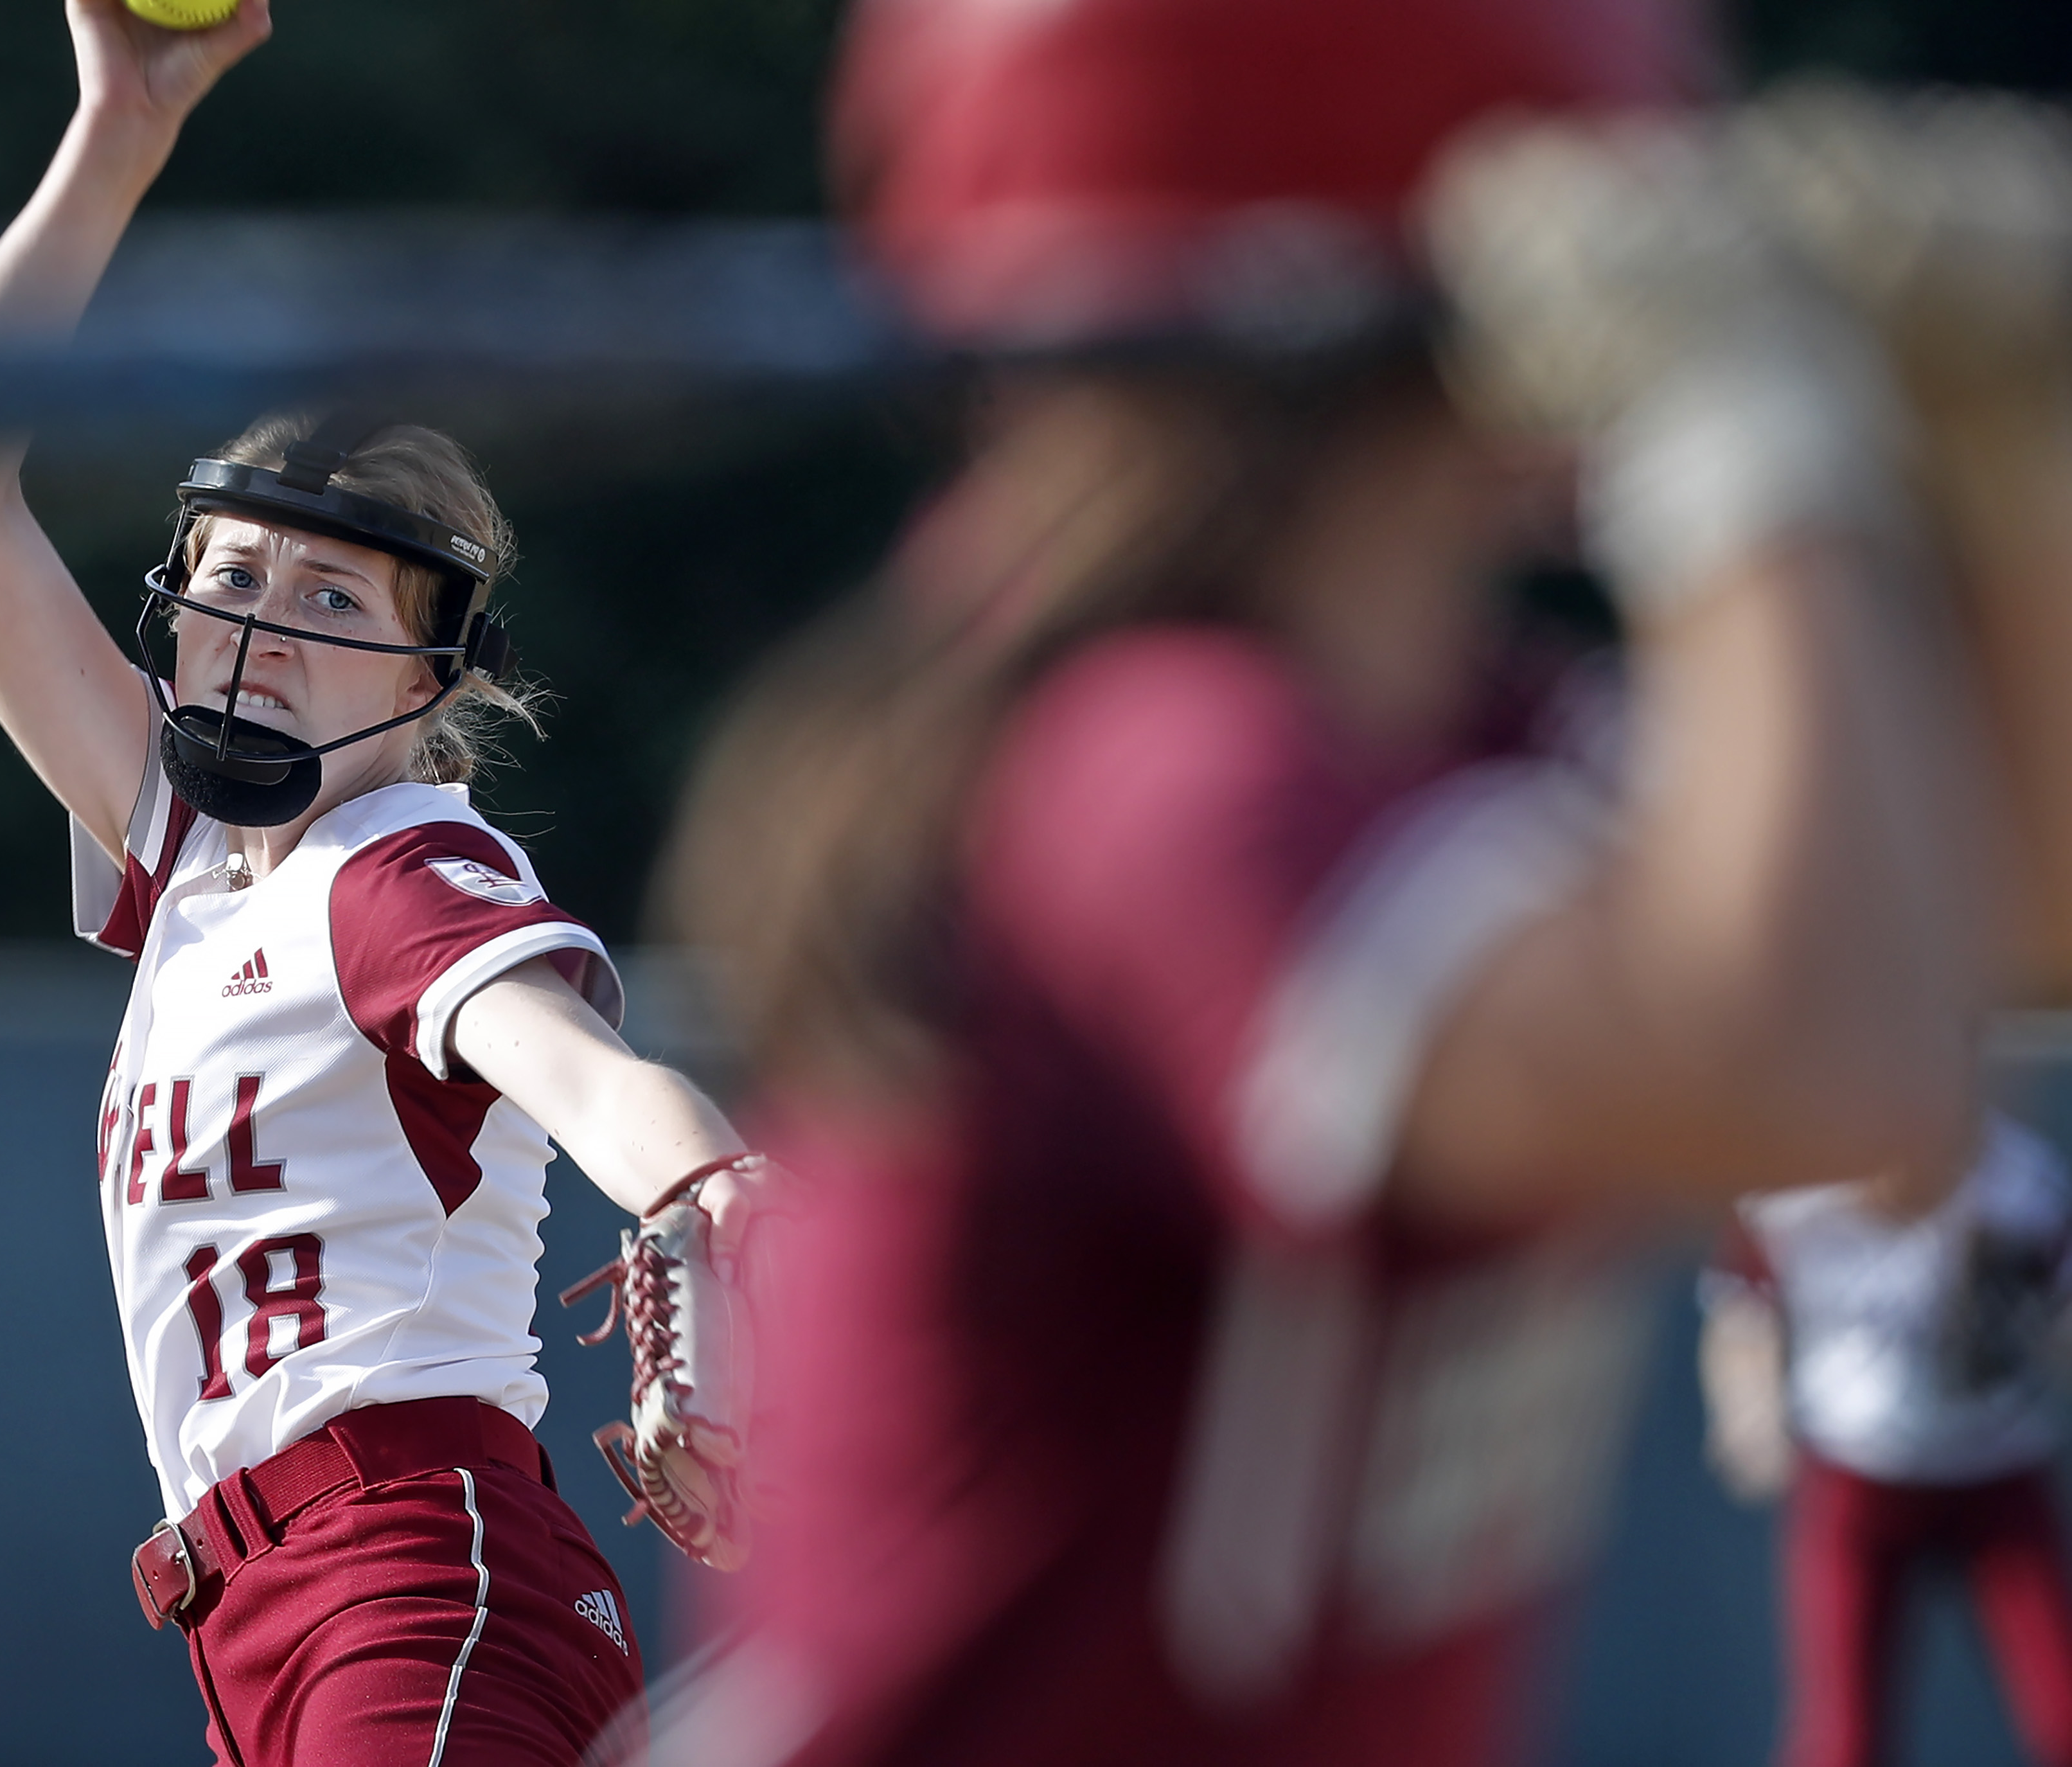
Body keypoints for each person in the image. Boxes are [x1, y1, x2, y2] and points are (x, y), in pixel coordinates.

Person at [646, 1, 2023, 1763]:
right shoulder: (1151, 778)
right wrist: (1743, 440)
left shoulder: (1452, 718)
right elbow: (1830, 1074)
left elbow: (1959, 928)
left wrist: (2005, 478)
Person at [0, 5, 754, 1762]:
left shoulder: (396, 856)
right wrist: (118, 133)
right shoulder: (197, 858)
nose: (267, 625)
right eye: (234, 578)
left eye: (339, 601)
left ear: (438, 679)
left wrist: (708, 1179)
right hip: (261, 1615)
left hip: (418, 1569)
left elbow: (578, 1068)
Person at [1702, 1115, 2072, 1767]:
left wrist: (2030, 1325)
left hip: (1996, 1468)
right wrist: (1748, 1415)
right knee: (1843, 1740)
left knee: (2063, 1712)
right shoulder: (1793, 1189)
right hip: (1857, 1476)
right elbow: (1743, 1312)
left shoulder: (2021, 1184)